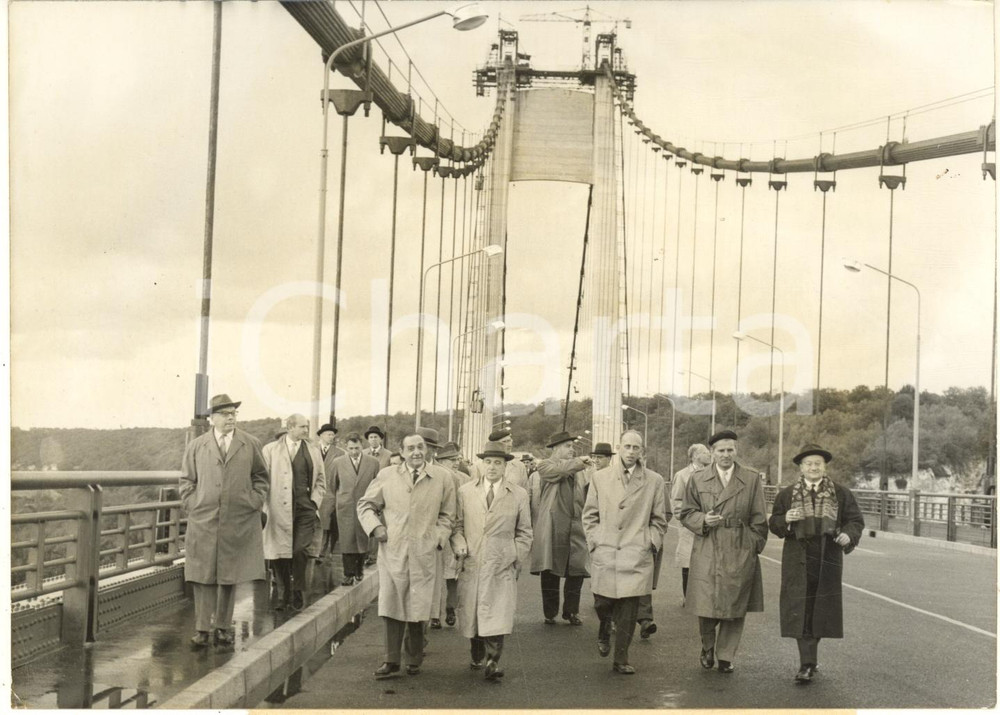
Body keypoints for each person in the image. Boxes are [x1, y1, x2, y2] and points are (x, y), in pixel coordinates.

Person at [357, 432, 456, 679]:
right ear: (401, 452)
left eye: (420, 447)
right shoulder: (387, 475)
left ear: (428, 450)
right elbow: (365, 505)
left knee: (418, 606)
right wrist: (376, 527)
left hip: (425, 550)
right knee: (392, 605)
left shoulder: (443, 478)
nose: (416, 452)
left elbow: (448, 516)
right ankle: (391, 660)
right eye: (410, 448)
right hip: (394, 549)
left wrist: (439, 537)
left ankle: (414, 659)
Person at [769, 444, 865, 683]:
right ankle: (807, 663)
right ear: (801, 468)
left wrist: (849, 535)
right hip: (797, 558)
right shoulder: (787, 494)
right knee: (801, 608)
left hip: (827, 557)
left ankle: (809, 658)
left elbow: (855, 520)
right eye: (809, 464)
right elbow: (774, 523)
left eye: (818, 464)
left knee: (819, 610)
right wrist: (786, 520)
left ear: (824, 467)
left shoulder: (841, 493)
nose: (813, 467)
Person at [179, 394, 269, 647]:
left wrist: (254, 500)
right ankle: (202, 628)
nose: (231, 418)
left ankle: (222, 626)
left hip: (237, 518)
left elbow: (261, 476)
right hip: (204, 519)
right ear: (212, 418)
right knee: (203, 574)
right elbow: (186, 480)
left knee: (230, 574)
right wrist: (193, 503)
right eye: (225, 413)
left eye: (233, 413)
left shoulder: (250, 443)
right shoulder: (197, 446)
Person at [679, 429, 768, 674]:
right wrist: (704, 520)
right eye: (721, 450)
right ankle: (707, 645)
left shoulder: (750, 479)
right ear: (712, 453)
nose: (726, 455)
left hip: (739, 547)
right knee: (707, 602)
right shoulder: (697, 479)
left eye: (730, 450)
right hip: (708, 544)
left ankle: (726, 655)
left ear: (736, 451)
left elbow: (759, 519)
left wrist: (752, 545)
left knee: (735, 605)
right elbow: (686, 513)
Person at [582, 430, 668, 675]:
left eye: (636, 447)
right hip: (606, 549)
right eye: (627, 446)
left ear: (642, 451)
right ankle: (605, 625)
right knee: (602, 602)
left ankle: (621, 658)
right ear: (619, 448)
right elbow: (589, 515)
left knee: (629, 609)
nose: (631, 452)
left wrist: (650, 541)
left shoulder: (654, 480)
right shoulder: (600, 478)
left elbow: (659, 519)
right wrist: (595, 540)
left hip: (636, 551)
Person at [451, 441, 533, 681]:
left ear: (506, 466)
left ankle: (492, 662)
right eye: (488, 462)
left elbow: (525, 531)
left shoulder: (518, 494)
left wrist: (515, 556)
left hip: (501, 562)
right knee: (473, 613)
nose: (492, 467)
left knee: (498, 613)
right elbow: (456, 526)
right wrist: (459, 544)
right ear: (481, 464)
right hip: (473, 560)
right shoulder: (465, 491)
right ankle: (477, 654)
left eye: (498, 463)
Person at [261, 414, 325, 611]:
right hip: (279, 508)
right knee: (279, 553)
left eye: (306, 427)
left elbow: (321, 480)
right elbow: (262, 479)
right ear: (290, 428)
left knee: (299, 549)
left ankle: (297, 590)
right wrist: (264, 506)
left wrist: (315, 502)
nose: (306, 430)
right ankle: (283, 593)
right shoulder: (270, 450)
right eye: (302, 427)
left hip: (305, 508)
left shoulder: (313, 450)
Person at [529, 430, 592, 626]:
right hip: (553, 526)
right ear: (555, 449)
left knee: (577, 570)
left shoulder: (581, 470)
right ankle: (550, 612)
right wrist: (580, 462)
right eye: (568, 446)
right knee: (551, 571)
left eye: (572, 446)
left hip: (576, 525)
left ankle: (571, 611)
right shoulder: (545, 466)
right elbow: (560, 471)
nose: (572, 450)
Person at [330, 433, 380, 586]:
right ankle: (348, 573)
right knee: (347, 540)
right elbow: (333, 485)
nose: (354, 452)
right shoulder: (338, 462)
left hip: (365, 505)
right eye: (351, 448)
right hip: (345, 506)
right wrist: (341, 498)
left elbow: (377, 484)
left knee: (363, 538)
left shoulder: (372, 462)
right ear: (346, 447)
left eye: (357, 448)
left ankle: (359, 569)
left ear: (362, 446)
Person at [435, 441, 474, 627]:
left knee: (453, 575)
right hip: (439, 531)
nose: (456, 462)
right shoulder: (435, 477)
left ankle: (450, 610)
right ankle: (434, 614)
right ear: (441, 461)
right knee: (435, 575)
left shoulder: (465, 478)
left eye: (457, 459)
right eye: (451, 459)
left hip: (458, 530)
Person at [671, 443, 712, 599]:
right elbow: (676, 501)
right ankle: (688, 597)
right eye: (705, 452)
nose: (709, 455)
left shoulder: (711, 473)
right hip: (689, 526)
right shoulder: (682, 475)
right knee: (688, 561)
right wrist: (688, 518)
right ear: (695, 456)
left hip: (708, 524)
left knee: (706, 562)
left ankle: (703, 597)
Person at [315, 423, 343, 560]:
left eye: (332, 434)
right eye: (328, 434)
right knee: (315, 522)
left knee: (327, 523)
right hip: (314, 492)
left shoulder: (340, 453)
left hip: (331, 493)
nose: (331, 437)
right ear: (321, 435)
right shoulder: (312, 450)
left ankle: (323, 551)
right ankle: (316, 550)